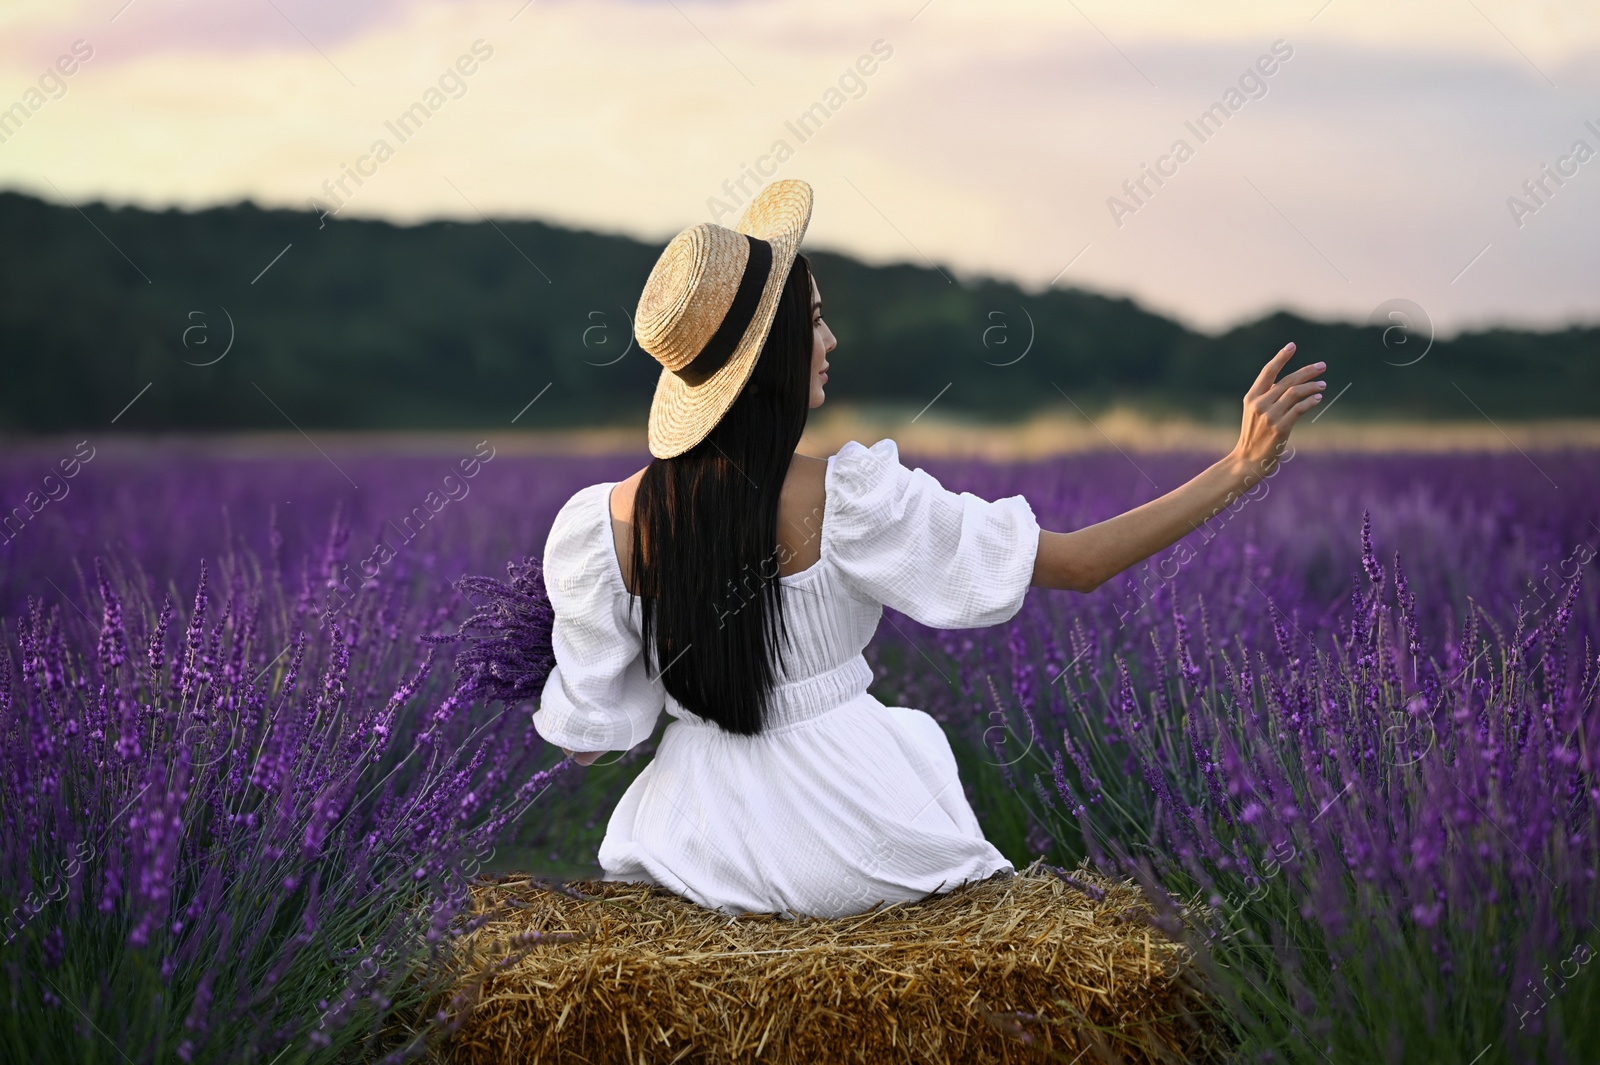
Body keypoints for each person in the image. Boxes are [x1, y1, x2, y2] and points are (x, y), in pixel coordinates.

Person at [532, 179, 1326, 919]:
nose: (830, 338)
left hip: (690, 840)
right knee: (920, 749)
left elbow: (588, 742)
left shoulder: (600, 527)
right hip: (854, 831)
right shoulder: (850, 498)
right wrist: (1238, 467)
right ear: (771, 351)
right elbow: (1080, 564)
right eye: (812, 319)